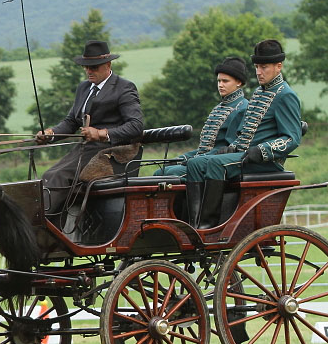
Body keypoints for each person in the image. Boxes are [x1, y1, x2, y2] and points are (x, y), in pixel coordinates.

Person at [183, 39, 302, 228]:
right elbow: (246, 133)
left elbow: (292, 138)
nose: (258, 72)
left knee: (215, 164)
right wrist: (231, 148)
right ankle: (193, 222)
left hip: (264, 162)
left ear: (278, 66)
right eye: (256, 67)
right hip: (243, 155)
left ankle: (208, 226)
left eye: (264, 67)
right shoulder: (258, 92)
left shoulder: (285, 95)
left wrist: (262, 150)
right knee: (196, 163)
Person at [35, 40, 144, 220]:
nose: (89, 71)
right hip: (85, 150)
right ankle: (54, 223)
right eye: (86, 67)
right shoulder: (83, 88)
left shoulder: (124, 88)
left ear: (108, 65)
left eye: (94, 67)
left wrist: (101, 134)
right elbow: (71, 121)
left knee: (57, 176)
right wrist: (51, 134)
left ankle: (44, 224)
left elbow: (136, 126)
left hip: (110, 152)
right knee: (48, 175)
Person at [159, 56, 250, 225]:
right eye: (218, 81)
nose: (220, 85)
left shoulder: (242, 108)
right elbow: (206, 146)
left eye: (225, 81)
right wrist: (185, 156)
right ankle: (171, 220)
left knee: (170, 175)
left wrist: (196, 159)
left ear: (239, 83)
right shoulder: (220, 108)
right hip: (204, 159)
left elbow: (228, 148)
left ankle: (191, 222)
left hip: (212, 164)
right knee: (161, 171)